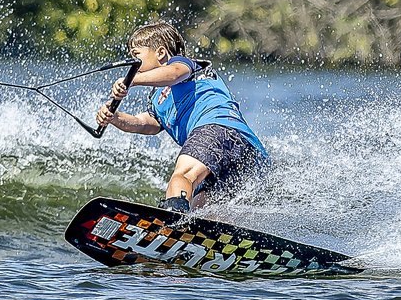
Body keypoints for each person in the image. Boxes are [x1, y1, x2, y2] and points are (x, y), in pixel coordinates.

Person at [95, 21, 270, 214]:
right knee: (203, 208)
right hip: (243, 152)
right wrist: (115, 118)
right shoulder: (157, 99)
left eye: (136, 56)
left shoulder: (183, 64)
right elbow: (146, 124)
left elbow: (174, 74)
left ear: (160, 53)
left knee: (182, 177)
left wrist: (131, 81)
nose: (133, 65)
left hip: (217, 129)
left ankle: (171, 224)